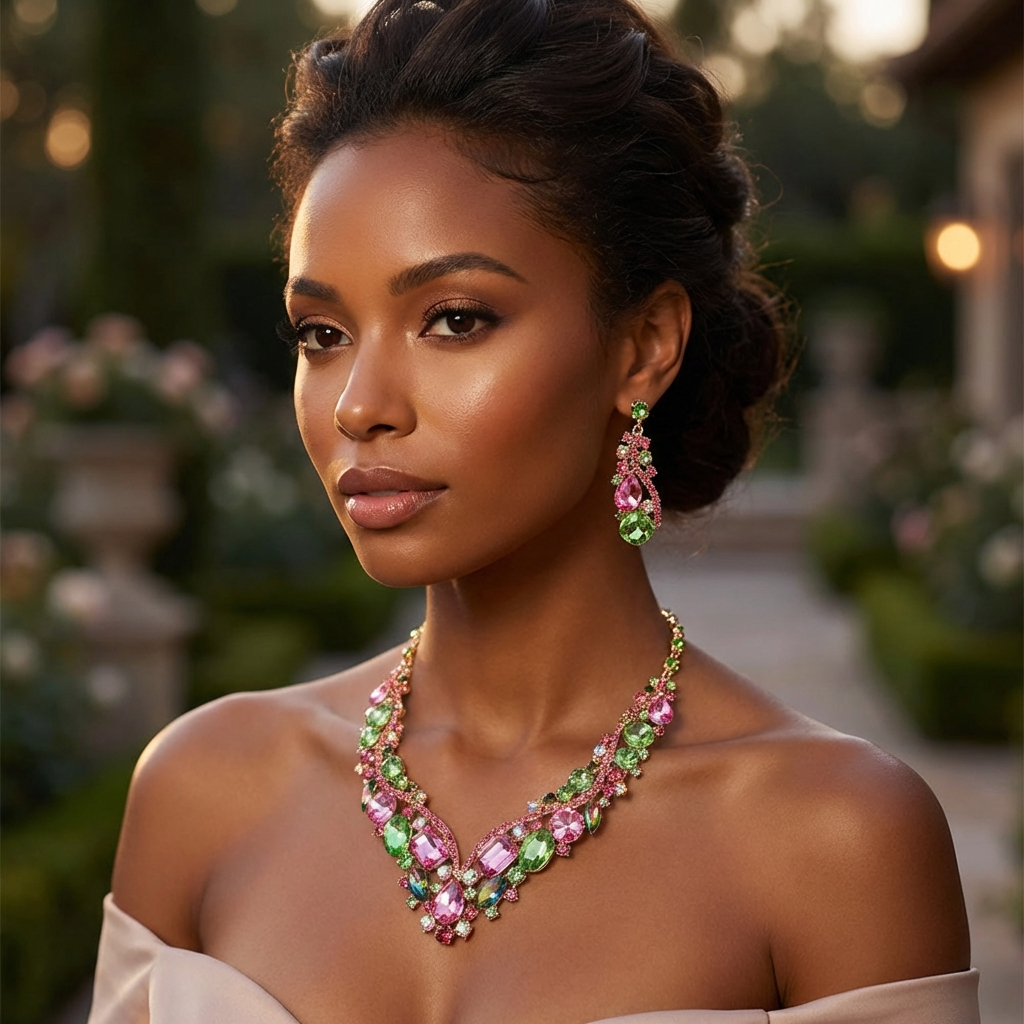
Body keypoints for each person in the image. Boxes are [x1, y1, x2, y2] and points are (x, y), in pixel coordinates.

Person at [86, 0, 979, 1020]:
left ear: (643, 346)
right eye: (322, 333)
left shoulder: (837, 836)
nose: (359, 407)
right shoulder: (201, 788)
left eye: (454, 319)